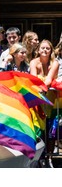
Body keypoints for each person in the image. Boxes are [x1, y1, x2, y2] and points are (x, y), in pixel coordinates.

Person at [30, 39, 60, 167]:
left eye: (48, 48)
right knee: (38, 129)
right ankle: (38, 157)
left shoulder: (55, 63)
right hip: (37, 99)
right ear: (38, 50)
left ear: (51, 50)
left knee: (51, 129)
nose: (45, 50)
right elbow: (33, 78)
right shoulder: (33, 62)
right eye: (42, 48)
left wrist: (41, 86)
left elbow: (48, 80)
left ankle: (49, 158)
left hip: (51, 100)